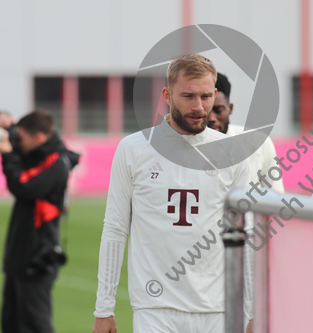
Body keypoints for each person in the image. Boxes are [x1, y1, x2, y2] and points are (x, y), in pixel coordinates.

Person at [93, 54, 252, 333]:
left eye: (205, 96)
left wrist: (251, 310)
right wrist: (104, 308)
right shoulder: (134, 149)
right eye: (188, 96)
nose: (199, 106)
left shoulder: (234, 153)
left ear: (215, 94)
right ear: (167, 95)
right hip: (154, 309)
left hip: (218, 309)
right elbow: (115, 229)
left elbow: (247, 236)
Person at [208, 72, 285, 330]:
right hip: (203, 259)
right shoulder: (189, 148)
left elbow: (277, 202)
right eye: (208, 110)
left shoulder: (257, 143)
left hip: (250, 254)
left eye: (218, 109)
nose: (212, 117)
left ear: (229, 107)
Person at [0, 110, 80, 333]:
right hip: (20, 255)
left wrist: (7, 155)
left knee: (34, 325)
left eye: (21, 138)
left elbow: (23, 186)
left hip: (37, 255)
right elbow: (29, 142)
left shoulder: (56, 162)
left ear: (38, 139)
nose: (17, 143)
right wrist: (11, 125)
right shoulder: (41, 152)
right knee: (11, 323)